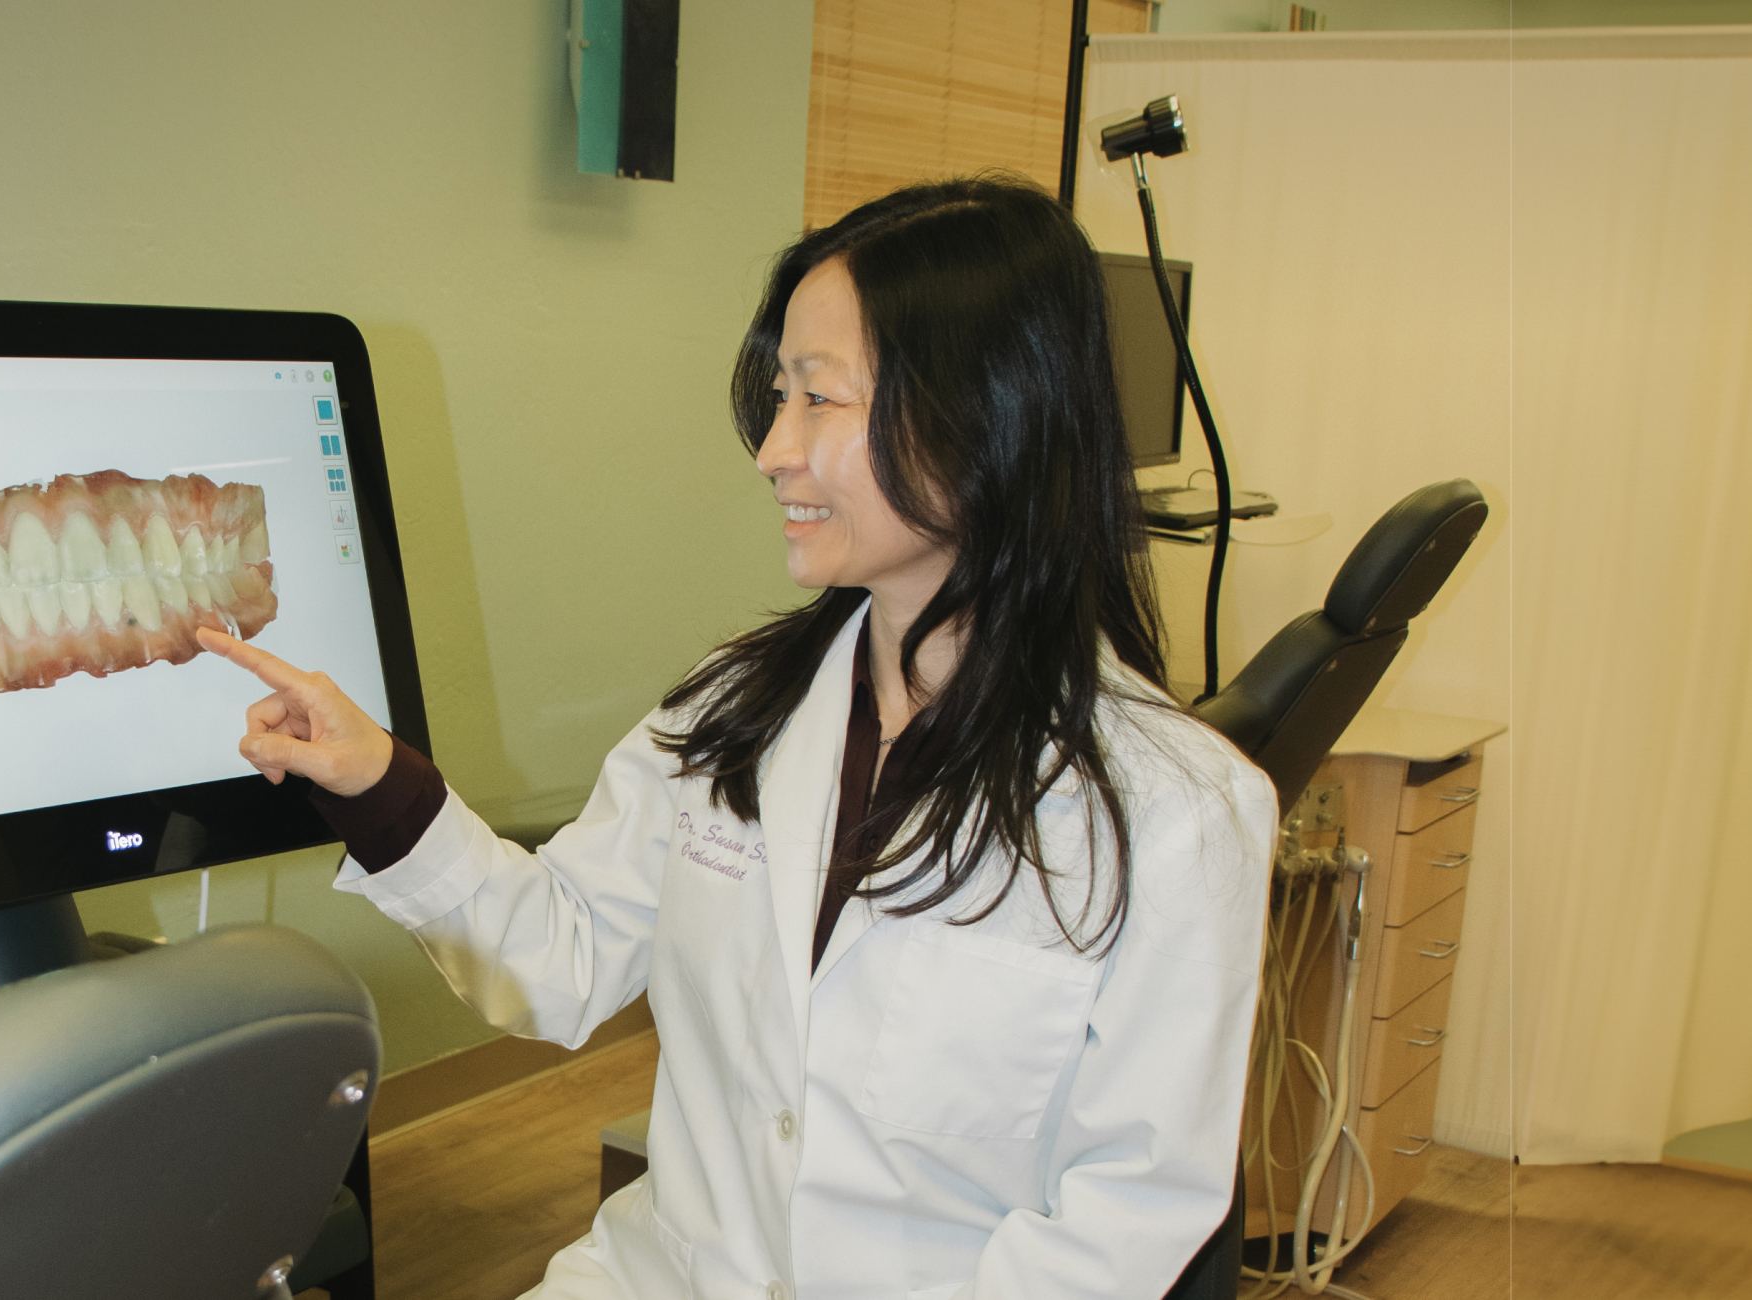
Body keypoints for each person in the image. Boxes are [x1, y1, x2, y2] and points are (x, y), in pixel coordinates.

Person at [199, 174, 1276, 1300]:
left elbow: (1124, 1215)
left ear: (988, 414)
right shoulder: (738, 710)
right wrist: (379, 783)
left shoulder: (1178, 812)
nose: (771, 449)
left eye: (820, 399)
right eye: (778, 397)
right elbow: (560, 957)